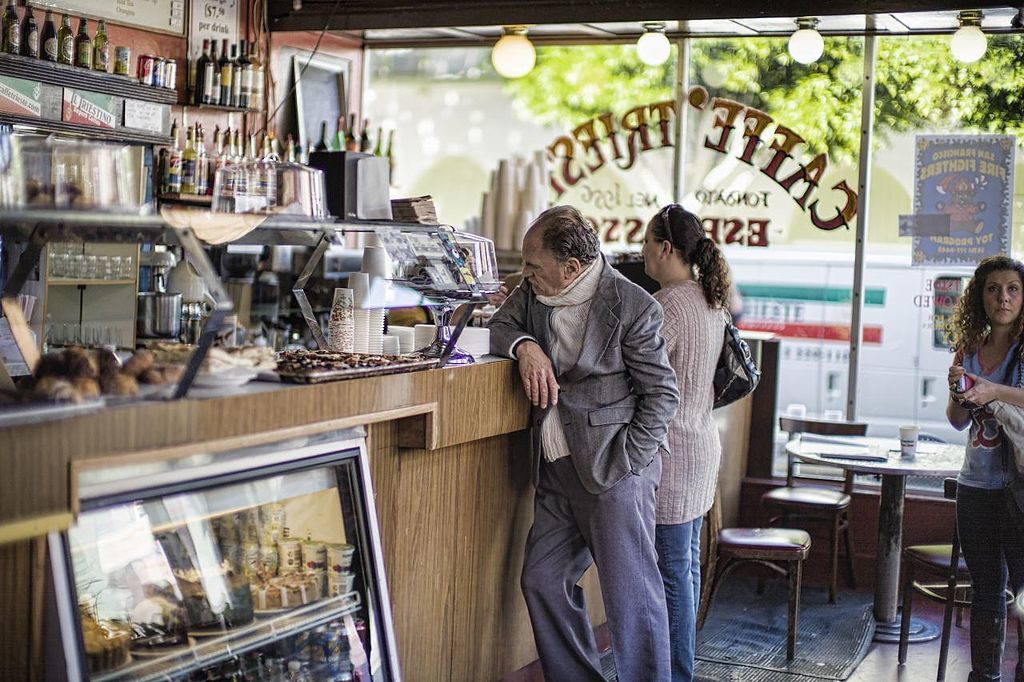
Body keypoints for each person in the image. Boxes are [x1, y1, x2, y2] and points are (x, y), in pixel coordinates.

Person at [489, 205, 680, 681]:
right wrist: (525, 348)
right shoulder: (532, 291)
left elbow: (662, 394)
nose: (524, 274)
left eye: (533, 265)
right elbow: (500, 326)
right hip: (555, 467)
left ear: (571, 268)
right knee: (542, 579)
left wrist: (629, 463)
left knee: (630, 598)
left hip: (612, 469)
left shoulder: (635, 305)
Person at [642, 204, 729, 681]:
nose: (641, 251)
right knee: (686, 571)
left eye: (646, 241)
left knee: (673, 576)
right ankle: (682, 669)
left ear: (665, 248)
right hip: (700, 446)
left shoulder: (668, 305)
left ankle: (677, 674)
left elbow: (635, 371)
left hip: (673, 453)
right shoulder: (708, 298)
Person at [947, 255, 1024, 682]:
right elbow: (957, 420)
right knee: (986, 594)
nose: (1003, 298)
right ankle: (984, 676)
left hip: (1018, 486)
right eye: (993, 289)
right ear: (981, 296)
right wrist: (958, 389)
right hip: (974, 484)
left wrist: (993, 389)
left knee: (1023, 597)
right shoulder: (970, 349)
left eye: (1013, 288)